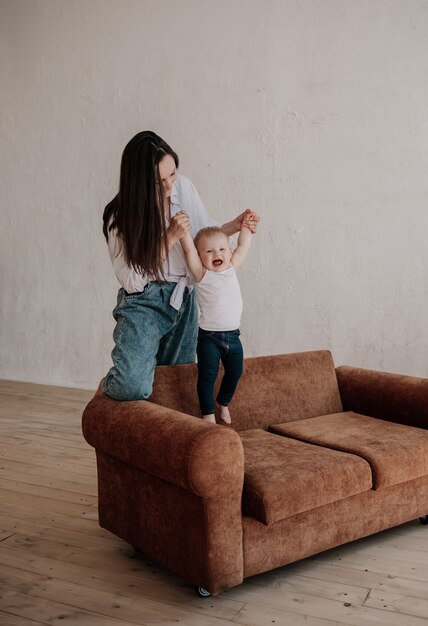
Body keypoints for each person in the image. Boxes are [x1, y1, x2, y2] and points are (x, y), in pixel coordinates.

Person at [102, 130, 259, 401]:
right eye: (157, 181)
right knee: (131, 386)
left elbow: (202, 240)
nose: (169, 186)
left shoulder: (184, 187)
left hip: (183, 299)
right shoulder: (119, 216)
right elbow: (131, 280)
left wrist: (235, 226)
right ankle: (112, 388)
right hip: (143, 302)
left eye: (172, 174)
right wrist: (170, 236)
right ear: (138, 182)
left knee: (175, 388)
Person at [179, 221, 255, 424]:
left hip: (233, 336)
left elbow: (243, 246)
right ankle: (208, 414)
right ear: (200, 256)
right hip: (209, 338)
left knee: (236, 371)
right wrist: (183, 232)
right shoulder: (201, 274)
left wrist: (246, 226)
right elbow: (187, 250)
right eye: (209, 251)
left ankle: (223, 402)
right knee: (207, 376)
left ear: (229, 252)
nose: (216, 254)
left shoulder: (231, 267)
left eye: (222, 249)